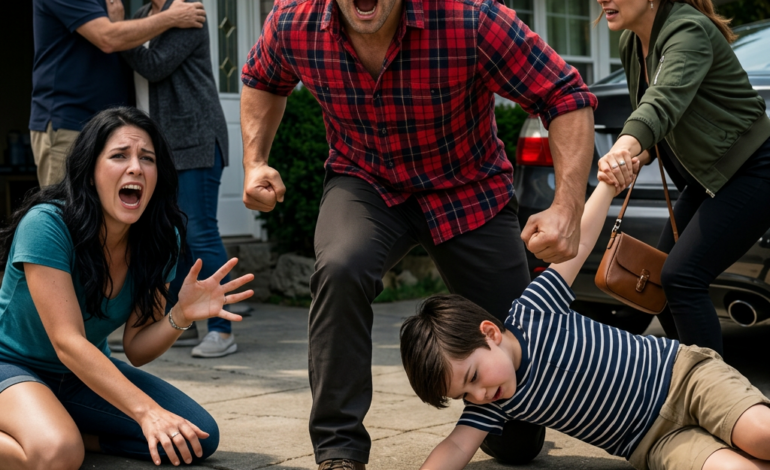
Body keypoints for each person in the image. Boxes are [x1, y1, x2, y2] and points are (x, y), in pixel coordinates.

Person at [239, 0, 598, 466]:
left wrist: (567, 206)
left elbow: (564, 94)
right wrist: (255, 162)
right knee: (340, 269)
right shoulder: (293, 21)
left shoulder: (472, 18)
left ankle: (503, 430)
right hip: (365, 181)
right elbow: (263, 80)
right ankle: (339, 450)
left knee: (518, 443)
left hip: (468, 189)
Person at [400, 175, 770, 470]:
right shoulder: (492, 406)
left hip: (684, 379)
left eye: (473, 377)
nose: (478, 395)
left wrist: (608, 185)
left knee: (761, 435)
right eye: (463, 396)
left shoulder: (534, 311)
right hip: (654, 441)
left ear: (490, 333)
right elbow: (455, 446)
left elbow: (580, 244)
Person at [0, 107, 254, 468]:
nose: (135, 167)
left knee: (197, 437)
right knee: (58, 453)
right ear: (90, 172)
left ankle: (75, 434)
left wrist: (180, 315)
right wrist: (147, 412)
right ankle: (61, 437)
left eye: (147, 158)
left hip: (78, 377)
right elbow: (67, 342)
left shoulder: (160, 239)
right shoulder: (47, 225)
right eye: (119, 155)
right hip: (10, 364)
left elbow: (136, 348)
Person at [595, 0, 770, 356]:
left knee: (681, 277)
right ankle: (690, 377)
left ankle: (709, 388)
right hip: (708, 179)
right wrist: (637, 155)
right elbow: (661, 123)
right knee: (660, 281)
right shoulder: (632, 42)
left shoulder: (688, 29)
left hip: (753, 168)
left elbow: (662, 103)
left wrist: (623, 147)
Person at [121, 0, 236, 358]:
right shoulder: (142, 17)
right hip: (163, 146)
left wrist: (117, 33)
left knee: (199, 231)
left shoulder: (189, 13)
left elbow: (154, 65)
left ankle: (221, 329)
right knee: (173, 235)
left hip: (196, 139)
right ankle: (181, 322)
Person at [30, 0, 206, 187]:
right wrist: (171, 17)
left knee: (108, 205)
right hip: (70, 124)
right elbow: (107, 37)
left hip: (110, 127)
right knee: (67, 203)